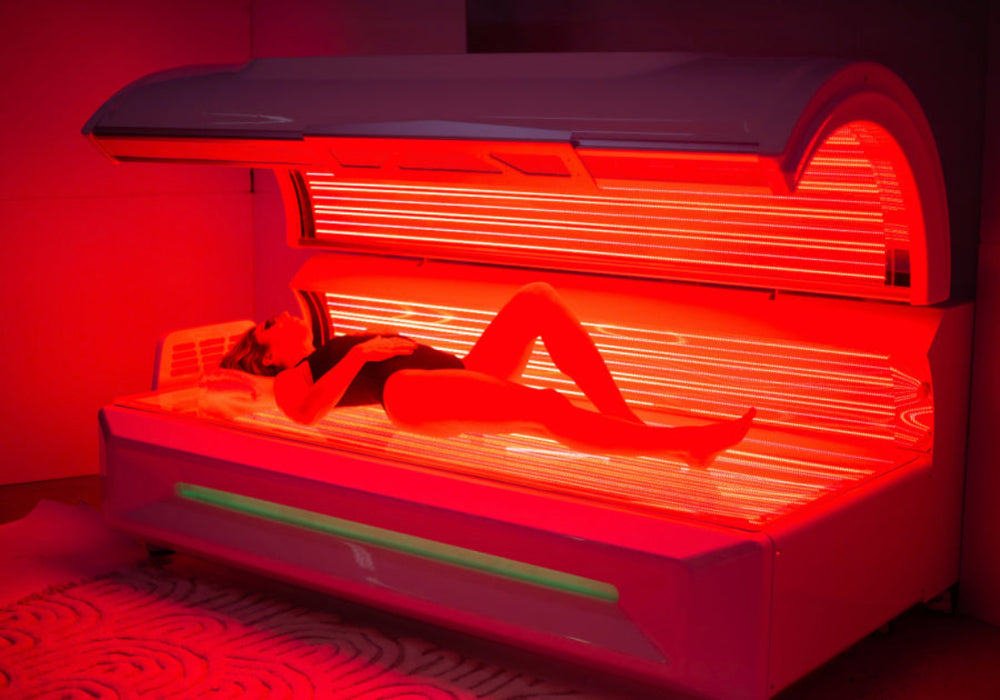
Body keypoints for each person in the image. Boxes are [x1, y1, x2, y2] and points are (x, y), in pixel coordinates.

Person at [221, 282, 754, 467]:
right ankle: (685, 443)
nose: (286, 315)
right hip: (404, 393)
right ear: (266, 358)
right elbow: (307, 415)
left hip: (451, 372)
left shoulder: (325, 347)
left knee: (536, 299)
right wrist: (363, 356)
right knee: (544, 407)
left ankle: (624, 419)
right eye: (270, 324)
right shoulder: (293, 374)